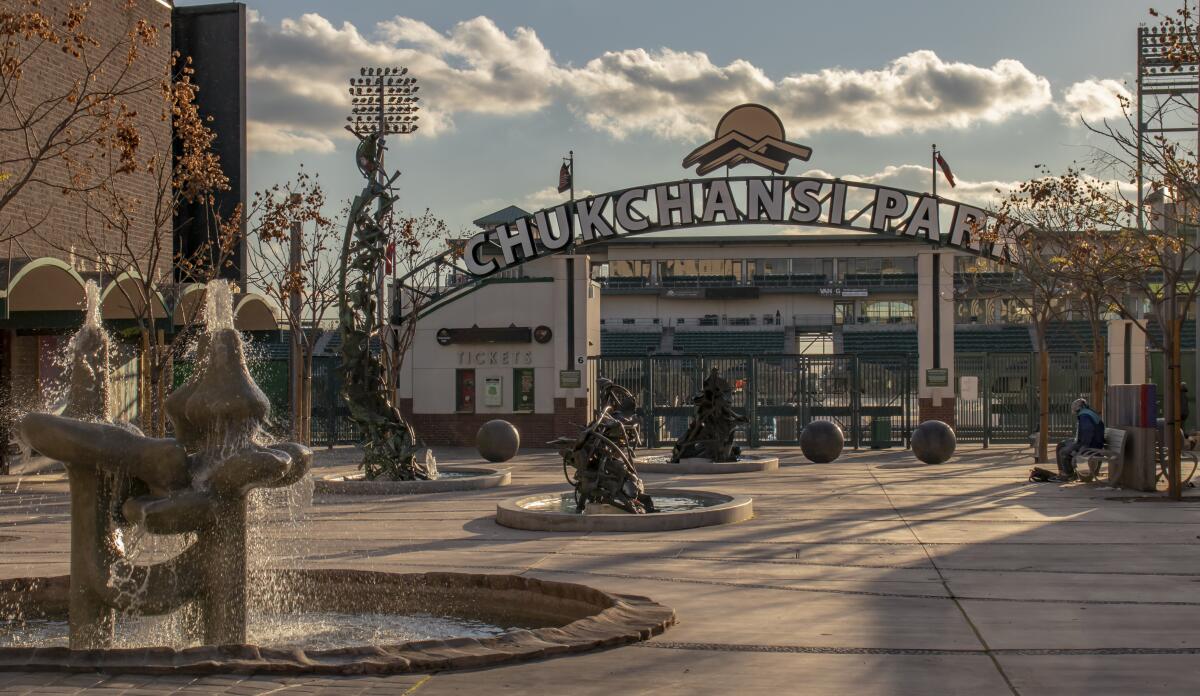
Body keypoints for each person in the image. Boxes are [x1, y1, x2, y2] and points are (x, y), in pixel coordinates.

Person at [1055, 398, 1105, 480]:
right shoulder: (1087, 412)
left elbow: (1088, 433)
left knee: (1063, 452)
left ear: (1077, 408)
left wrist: (1082, 448)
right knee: (1061, 445)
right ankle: (1063, 472)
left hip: (1091, 445)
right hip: (1088, 441)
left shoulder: (1085, 416)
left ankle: (1069, 474)